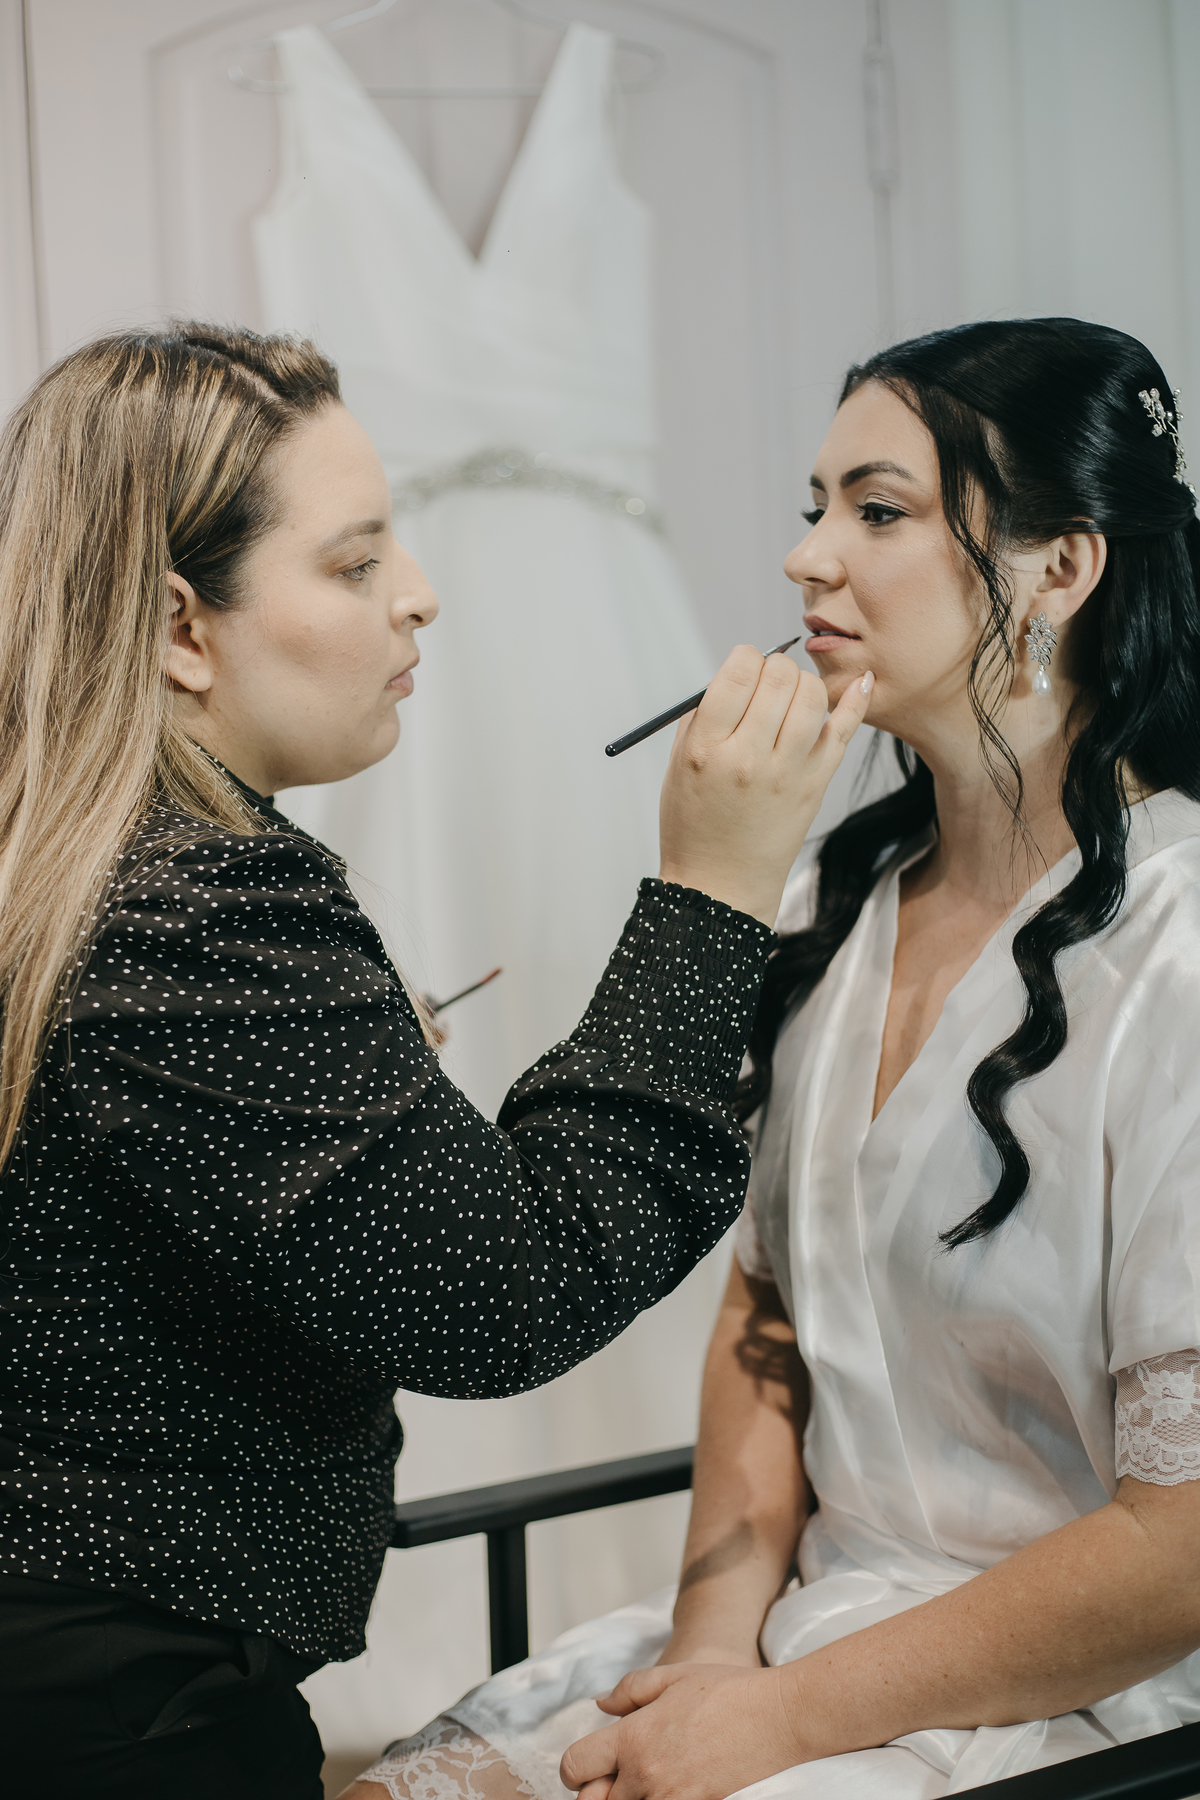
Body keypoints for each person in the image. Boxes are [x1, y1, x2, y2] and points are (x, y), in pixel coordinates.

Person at [0, 323, 872, 1799]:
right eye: (354, 565)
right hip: (115, 1708)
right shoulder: (191, 911)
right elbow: (501, 1294)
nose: (419, 591)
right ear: (179, 628)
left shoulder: (99, 873)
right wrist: (714, 892)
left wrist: (321, 1088)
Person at [348, 317, 1200, 1800]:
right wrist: (708, 1652)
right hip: (802, 1630)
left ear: (1062, 568)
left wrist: (779, 1723)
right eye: (816, 509)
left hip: (1078, 1699)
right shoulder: (821, 909)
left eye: (879, 511)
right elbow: (764, 1318)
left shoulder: (1178, 955)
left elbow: (1178, 1549)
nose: (808, 558)